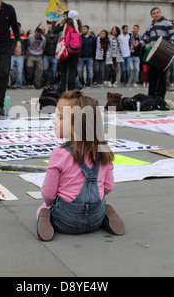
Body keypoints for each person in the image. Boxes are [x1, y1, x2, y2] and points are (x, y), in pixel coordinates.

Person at [36, 89, 125, 241]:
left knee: (42, 209)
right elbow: (108, 186)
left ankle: (46, 218)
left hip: (65, 220)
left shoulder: (60, 154)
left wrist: (49, 205)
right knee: (99, 206)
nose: (54, 121)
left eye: (60, 117)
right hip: (95, 219)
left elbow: (48, 194)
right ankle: (104, 216)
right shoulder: (104, 151)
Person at [140, 7, 174, 98]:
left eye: (157, 12)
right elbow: (146, 38)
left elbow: (172, 33)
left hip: (162, 51)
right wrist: (139, 44)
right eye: (154, 13)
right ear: (151, 15)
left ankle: (160, 96)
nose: (156, 14)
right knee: (151, 75)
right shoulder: (150, 26)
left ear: (160, 13)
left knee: (162, 76)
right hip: (154, 53)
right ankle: (151, 95)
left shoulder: (166, 23)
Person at [59, 11, 82, 93]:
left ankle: (62, 89)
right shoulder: (78, 24)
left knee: (63, 71)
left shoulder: (66, 25)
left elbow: (55, 30)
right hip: (76, 51)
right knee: (72, 71)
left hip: (66, 50)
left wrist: (60, 23)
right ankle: (71, 90)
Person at [10, 23, 27, 89]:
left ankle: (19, 84)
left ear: (20, 27)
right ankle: (14, 81)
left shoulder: (24, 35)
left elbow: (26, 45)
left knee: (20, 70)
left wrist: (26, 54)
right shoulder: (11, 35)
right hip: (12, 54)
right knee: (10, 68)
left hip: (21, 55)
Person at [43, 23, 58, 88]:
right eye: (48, 27)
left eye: (51, 27)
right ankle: (47, 82)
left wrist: (53, 37)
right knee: (46, 69)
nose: (50, 29)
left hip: (54, 56)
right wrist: (50, 37)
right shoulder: (45, 36)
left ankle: (52, 83)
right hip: (46, 56)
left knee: (53, 71)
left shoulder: (56, 36)